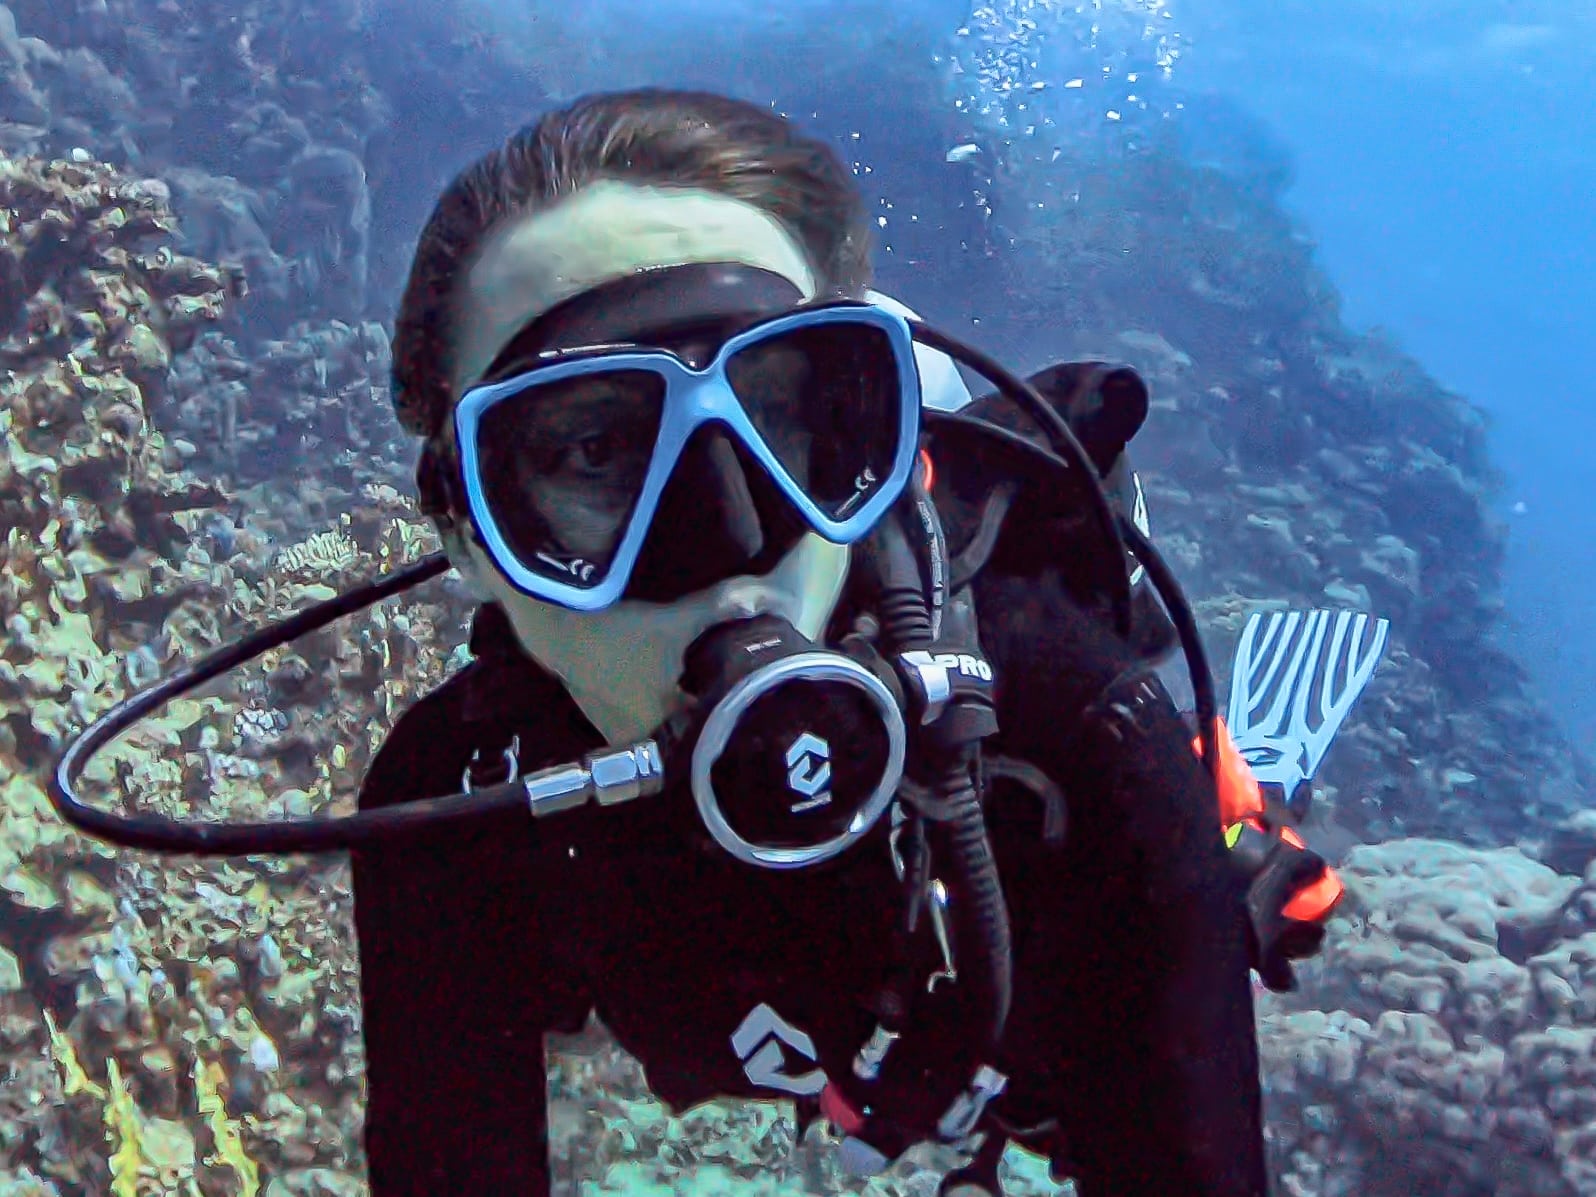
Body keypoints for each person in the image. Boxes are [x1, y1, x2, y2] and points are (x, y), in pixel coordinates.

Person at [351, 88, 1335, 1196]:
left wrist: (1159, 829)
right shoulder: (449, 810)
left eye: (783, 412)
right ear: (467, 535)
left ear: (868, 430)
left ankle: (1240, 805)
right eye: (592, 448)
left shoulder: (1066, 720)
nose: (731, 536)